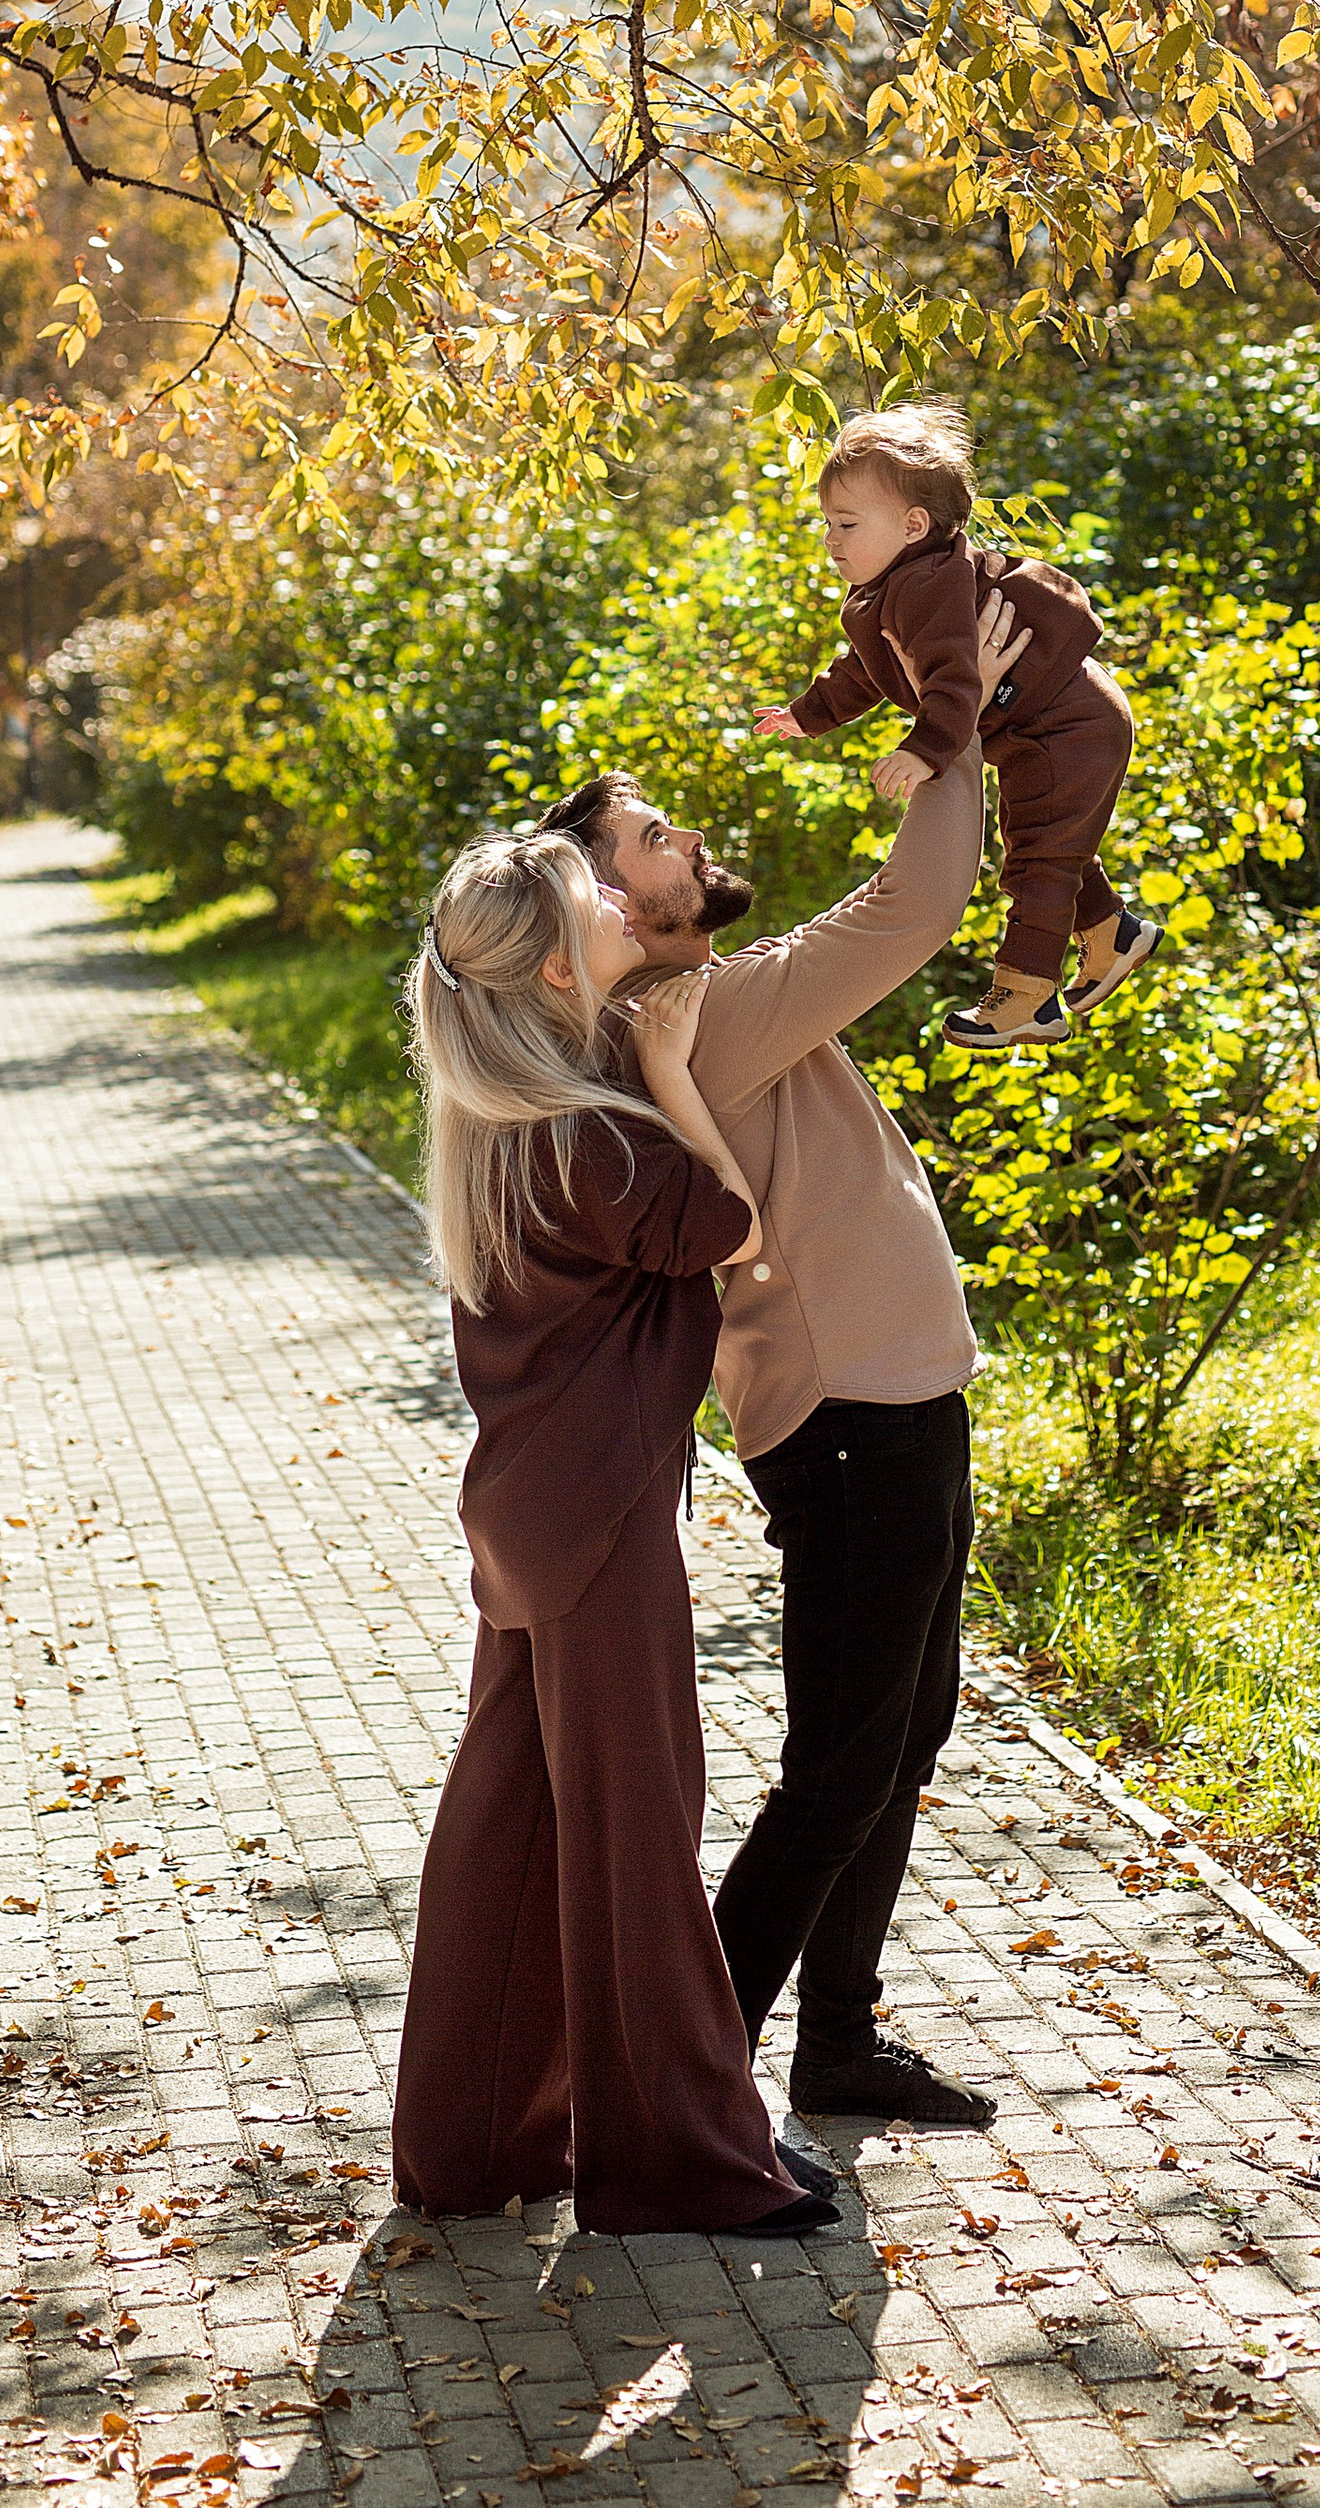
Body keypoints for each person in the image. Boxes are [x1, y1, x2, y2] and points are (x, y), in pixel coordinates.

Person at [531, 585, 1026, 2133]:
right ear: (609, 911)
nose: (685, 843)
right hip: (856, 1425)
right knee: (839, 1767)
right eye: (651, 840)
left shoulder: (686, 1018)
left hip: (896, 1407)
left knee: (899, 1736)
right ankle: (692, 2085)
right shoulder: (701, 1009)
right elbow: (914, 908)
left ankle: (837, 2044)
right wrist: (962, 727)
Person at [389, 826, 837, 2239]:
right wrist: (664, 1073)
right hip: (593, 1528)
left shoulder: (517, 1118)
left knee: (511, 1831)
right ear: (548, 958)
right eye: (593, 892)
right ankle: (678, 2164)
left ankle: (470, 2151)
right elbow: (727, 1219)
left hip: (542, 1515)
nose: (614, 888)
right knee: (639, 1835)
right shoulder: (591, 1136)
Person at [754, 400, 1160, 1049]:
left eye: (847, 524)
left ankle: (1026, 994)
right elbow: (866, 669)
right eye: (827, 522)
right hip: (1056, 722)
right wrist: (808, 715)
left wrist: (925, 750)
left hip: (1070, 722)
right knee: (1037, 841)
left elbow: (953, 679)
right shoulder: (896, 587)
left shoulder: (928, 586)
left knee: (1038, 861)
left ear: (914, 524)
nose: (831, 539)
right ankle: (1112, 934)